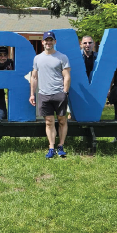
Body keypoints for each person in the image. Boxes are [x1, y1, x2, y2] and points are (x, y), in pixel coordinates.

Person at [29, 31, 71, 159]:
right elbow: (34, 77)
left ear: (54, 42)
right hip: (44, 94)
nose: (48, 42)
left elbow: (67, 76)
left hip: (59, 94)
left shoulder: (62, 57)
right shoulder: (37, 58)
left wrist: (65, 92)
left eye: (51, 40)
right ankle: (51, 147)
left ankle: (61, 146)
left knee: (62, 120)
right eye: (46, 40)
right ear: (42, 42)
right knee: (48, 122)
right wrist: (32, 94)